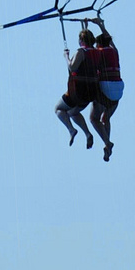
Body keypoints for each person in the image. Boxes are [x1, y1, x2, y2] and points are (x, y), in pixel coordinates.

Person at [55, 27, 98, 148]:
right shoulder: (96, 52)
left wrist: (66, 57)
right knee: (72, 113)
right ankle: (88, 134)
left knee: (58, 109)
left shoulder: (81, 52)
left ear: (81, 40)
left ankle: (71, 130)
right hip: (90, 93)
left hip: (78, 92)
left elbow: (72, 67)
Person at [89, 17, 124, 163]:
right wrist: (100, 25)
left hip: (107, 89)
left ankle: (108, 143)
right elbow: (109, 40)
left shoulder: (99, 52)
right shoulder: (114, 51)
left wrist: (85, 28)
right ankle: (107, 146)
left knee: (93, 118)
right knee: (105, 118)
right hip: (118, 91)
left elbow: (86, 49)